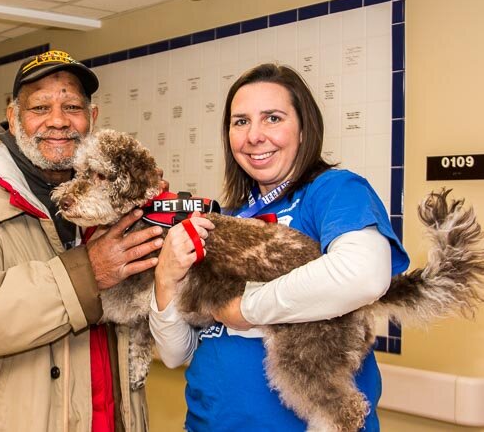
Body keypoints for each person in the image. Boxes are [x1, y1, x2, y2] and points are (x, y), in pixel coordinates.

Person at [149, 63, 409, 431]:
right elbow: (177, 354)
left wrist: (248, 308)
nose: (254, 135)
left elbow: (363, 274)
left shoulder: (333, 190)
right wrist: (164, 278)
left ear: (304, 130)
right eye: (240, 122)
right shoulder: (231, 219)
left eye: (272, 118)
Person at [0, 49, 164, 431]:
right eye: (40, 108)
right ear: (13, 117)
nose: (58, 121)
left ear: (92, 118)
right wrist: (89, 272)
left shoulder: (115, 205)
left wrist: (163, 230)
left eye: (72, 106)